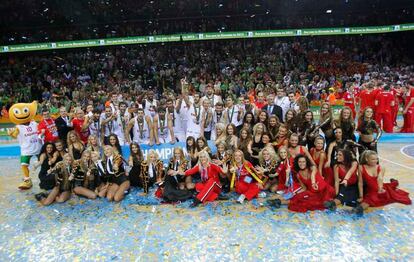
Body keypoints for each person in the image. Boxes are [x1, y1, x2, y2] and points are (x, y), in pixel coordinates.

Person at [270, 155, 335, 212]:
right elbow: (304, 188)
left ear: (306, 162)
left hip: (324, 191)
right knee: (297, 197)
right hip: (312, 193)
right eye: (300, 162)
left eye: (303, 162)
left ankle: (279, 202)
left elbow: (313, 175)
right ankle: (279, 202)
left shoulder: (312, 168)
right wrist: (295, 193)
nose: (302, 163)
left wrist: (313, 183)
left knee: (308, 203)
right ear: (297, 163)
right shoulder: (298, 175)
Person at [355, 150, 411, 215]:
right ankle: (394, 182)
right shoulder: (361, 167)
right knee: (371, 197)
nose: (375, 161)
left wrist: (380, 189)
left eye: (376, 159)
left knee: (372, 199)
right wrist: (361, 196)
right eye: (373, 159)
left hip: (380, 187)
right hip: (370, 190)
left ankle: (395, 182)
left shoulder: (381, 167)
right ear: (366, 159)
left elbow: (380, 178)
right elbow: (360, 182)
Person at [7, 101, 42, 189]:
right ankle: (27, 180)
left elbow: (42, 129)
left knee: (44, 162)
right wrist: (11, 134)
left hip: (39, 147)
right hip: (26, 149)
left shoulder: (34, 123)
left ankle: (48, 176)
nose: (22, 114)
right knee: (24, 164)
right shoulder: (18, 127)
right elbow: (15, 135)